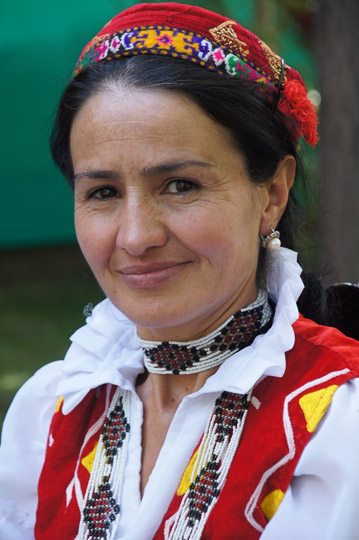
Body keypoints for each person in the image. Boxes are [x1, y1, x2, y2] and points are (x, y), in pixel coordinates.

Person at [0, 3, 358, 539]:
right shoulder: (50, 412)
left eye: (181, 185)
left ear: (272, 195)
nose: (137, 236)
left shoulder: (337, 425)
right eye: (102, 192)